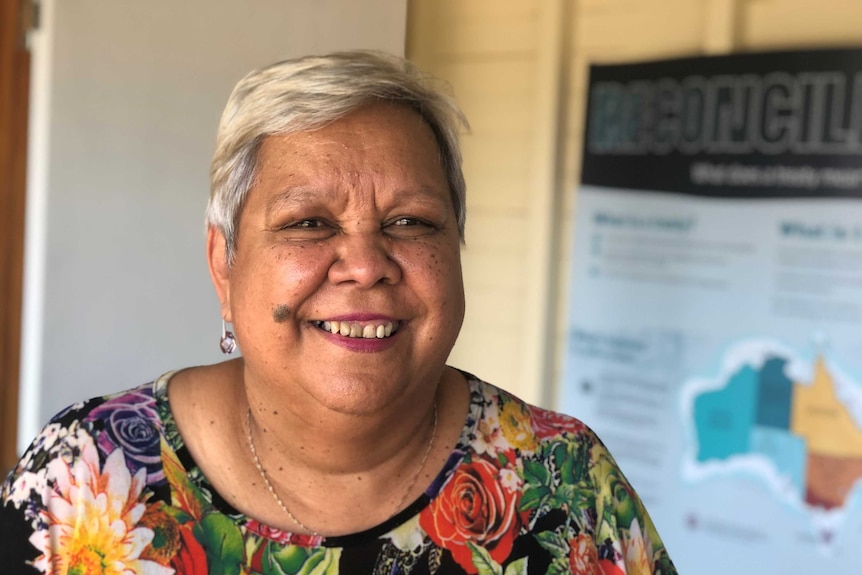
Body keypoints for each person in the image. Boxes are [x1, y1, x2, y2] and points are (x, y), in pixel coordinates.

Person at [1, 50, 677, 574]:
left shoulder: (564, 482)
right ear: (224, 263)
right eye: (309, 222)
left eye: (411, 221)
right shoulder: (87, 472)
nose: (365, 263)